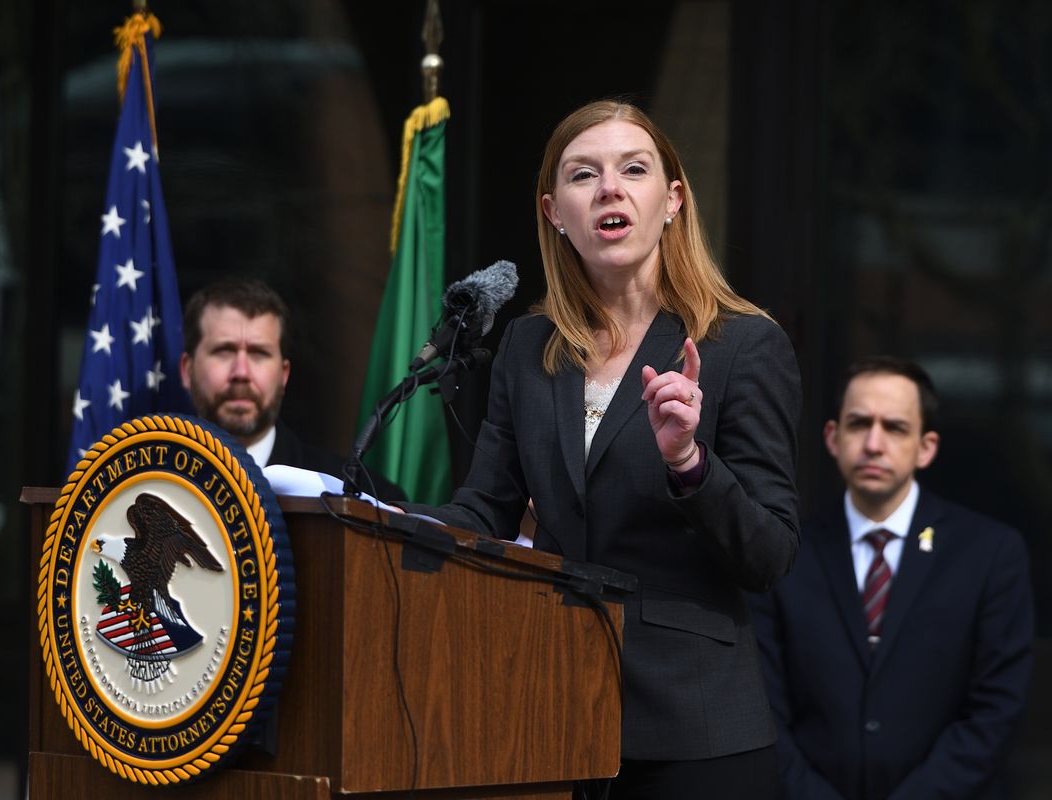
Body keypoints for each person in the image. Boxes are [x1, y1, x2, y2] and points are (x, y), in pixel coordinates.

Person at [403, 99, 802, 797]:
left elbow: (768, 554)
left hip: (695, 732)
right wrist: (379, 518)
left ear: (672, 200)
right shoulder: (528, 348)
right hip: (550, 717)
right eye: (584, 175)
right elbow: (485, 513)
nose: (609, 189)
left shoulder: (742, 345)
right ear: (556, 211)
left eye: (633, 170)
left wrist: (690, 464)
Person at [749, 357, 1034, 799]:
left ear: (927, 446)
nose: (874, 443)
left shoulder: (990, 554)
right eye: (859, 424)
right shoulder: (785, 553)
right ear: (832, 437)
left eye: (895, 427)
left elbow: (996, 711)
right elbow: (761, 710)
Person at [179, 278, 407, 501]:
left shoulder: (364, 500)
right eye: (224, 351)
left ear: (284, 374)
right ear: (187, 370)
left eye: (259, 353)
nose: (241, 372)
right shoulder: (149, 478)